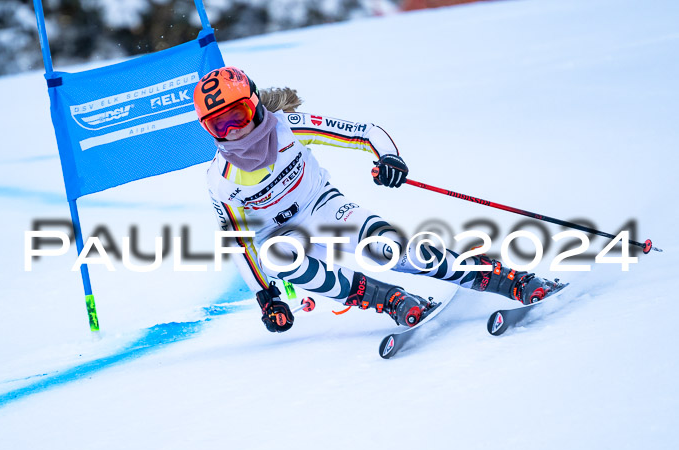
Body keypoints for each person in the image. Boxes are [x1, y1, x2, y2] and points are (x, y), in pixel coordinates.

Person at [194, 66, 560, 333]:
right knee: (276, 257)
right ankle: (389, 300)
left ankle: (502, 278)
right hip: (283, 237)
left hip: (324, 208)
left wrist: (388, 158)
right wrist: (266, 297)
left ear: (255, 105)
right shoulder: (220, 180)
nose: (234, 132)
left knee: (391, 252)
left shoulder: (291, 125)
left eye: (237, 116)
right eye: (219, 126)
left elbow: (363, 133)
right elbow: (241, 244)